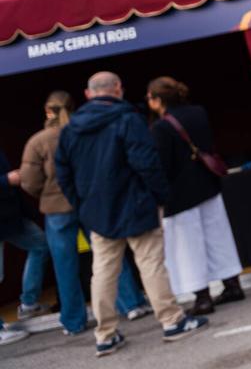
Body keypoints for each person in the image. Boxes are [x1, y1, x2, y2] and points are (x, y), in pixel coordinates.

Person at [55, 71, 208, 357]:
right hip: (136, 205)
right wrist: (160, 196)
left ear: (88, 94)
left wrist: (82, 205)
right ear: (118, 89)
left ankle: (105, 335)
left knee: (103, 271)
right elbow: (146, 162)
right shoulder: (128, 119)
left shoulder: (70, 129)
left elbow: (63, 174)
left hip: (97, 211)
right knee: (151, 264)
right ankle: (171, 321)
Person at [20, 91, 153, 336]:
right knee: (110, 254)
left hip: (57, 209)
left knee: (65, 265)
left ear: (47, 112)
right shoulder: (83, 133)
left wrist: (46, 194)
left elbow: (29, 181)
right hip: (89, 202)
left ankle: (73, 321)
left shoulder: (38, 141)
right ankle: (132, 304)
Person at [146, 76, 244, 316]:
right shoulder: (198, 112)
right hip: (207, 184)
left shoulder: (160, 127)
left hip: (180, 195)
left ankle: (202, 298)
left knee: (188, 248)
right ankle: (232, 284)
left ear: (157, 100)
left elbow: (163, 164)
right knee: (218, 237)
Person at [0, 149, 49, 323]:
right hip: (7, 217)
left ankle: (29, 303)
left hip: (10, 217)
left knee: (41, 245)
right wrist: (6, 180)